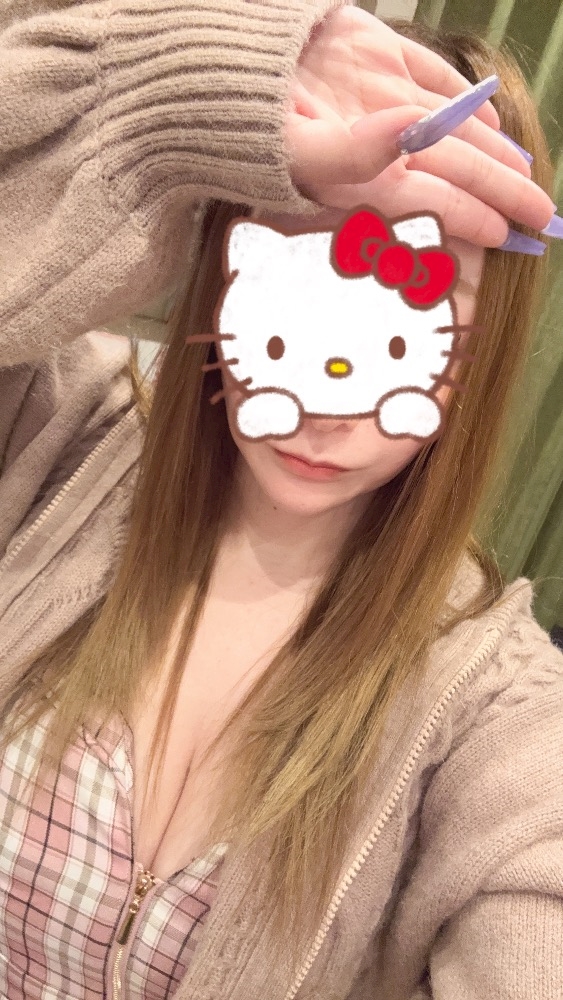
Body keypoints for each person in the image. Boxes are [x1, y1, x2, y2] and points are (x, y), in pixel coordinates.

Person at [0, 3, 562, 1000]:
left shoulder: (496, 715)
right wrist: (164, 96)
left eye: (404, 326)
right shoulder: (51, 441)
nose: (326, 402)